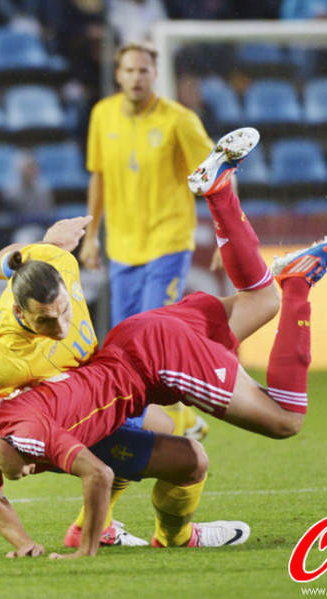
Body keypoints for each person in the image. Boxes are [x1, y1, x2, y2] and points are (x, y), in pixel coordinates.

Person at [0, 130, 327, 558]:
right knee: (259, 302)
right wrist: (22, 537)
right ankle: (221, 194)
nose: (62, 328)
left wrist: (81, 555)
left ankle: (296, 279)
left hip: (154, 359)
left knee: (284, 421)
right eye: (49, 321)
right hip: (131, 352)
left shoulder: (11, 367)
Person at [0, 214, 168, 547]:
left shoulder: (58, 262)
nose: (62, 328)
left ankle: (99, 523)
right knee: (170, 455)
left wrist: (33, 248)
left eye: (64, 312)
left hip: (95, 387)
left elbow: (4, 261)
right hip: (54, 419)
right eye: (47, 320)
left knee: (164, 426)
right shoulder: (5, 360)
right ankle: (152, 533)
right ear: (22, 315)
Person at [80, 42, 213, 438]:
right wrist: (91, 237)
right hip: (122, 246)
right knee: (125, 346)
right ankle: (175, 421)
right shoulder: (102, 115)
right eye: (130, 70)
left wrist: (226, 236)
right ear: (118, 74)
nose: (137, 77)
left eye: (144, 71)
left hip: (168, 241)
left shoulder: (179, 120)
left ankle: (176, 422)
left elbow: (218, 173)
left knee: (153, 338)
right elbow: (98, 176)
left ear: (155, 75)